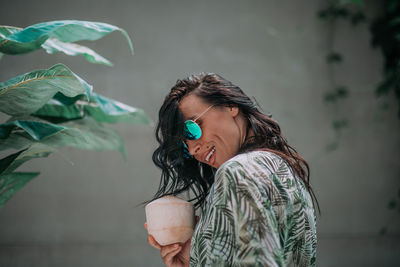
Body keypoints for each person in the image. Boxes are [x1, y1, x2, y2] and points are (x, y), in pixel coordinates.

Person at [146, 73, 318, 266]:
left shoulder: (238, 171)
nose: (193, 149)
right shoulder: (284, 169)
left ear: (230, 106)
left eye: (191, 130)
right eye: (184, 146)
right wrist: (198, 258)